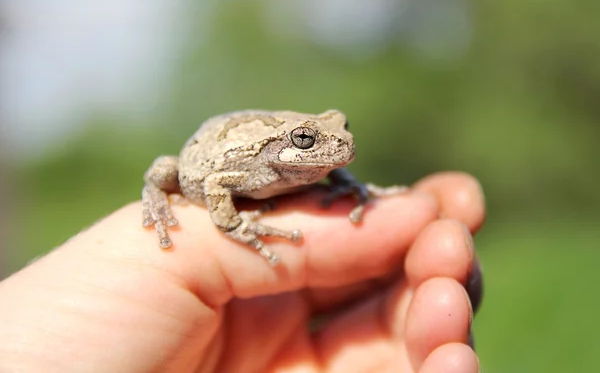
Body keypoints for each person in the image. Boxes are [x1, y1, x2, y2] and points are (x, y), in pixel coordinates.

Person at [0, 172, 484, 373]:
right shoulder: (254, 170)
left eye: (341, 129)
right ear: (286, 146)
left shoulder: (300, 163)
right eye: (306, 141)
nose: (342, 142)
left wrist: (350, 186)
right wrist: (236, 224)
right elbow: (210, 180)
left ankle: (351, 187)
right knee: (164, 171)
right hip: (213, 160)